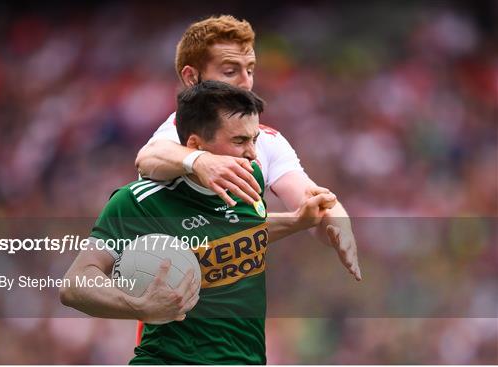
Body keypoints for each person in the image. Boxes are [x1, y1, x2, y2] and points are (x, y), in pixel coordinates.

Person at [60, 81, 337, 364]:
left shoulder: (248, 181)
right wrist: (139, 305)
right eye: (240, 141)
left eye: (254, 140)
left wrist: (296, 221)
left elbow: (233, 234)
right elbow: (74, 285)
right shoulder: (141, 201)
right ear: (195, 145)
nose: (254, 154)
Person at [135, 15, 361, 281]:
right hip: (172, 312)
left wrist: (339, 225)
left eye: (250, 70)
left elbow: (312, 202)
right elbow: (148, 158)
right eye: (230, 71)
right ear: (191, 77)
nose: (246, 82)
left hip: (240, 314)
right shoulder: (179, 133)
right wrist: (200, 161)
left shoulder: (268, 141)